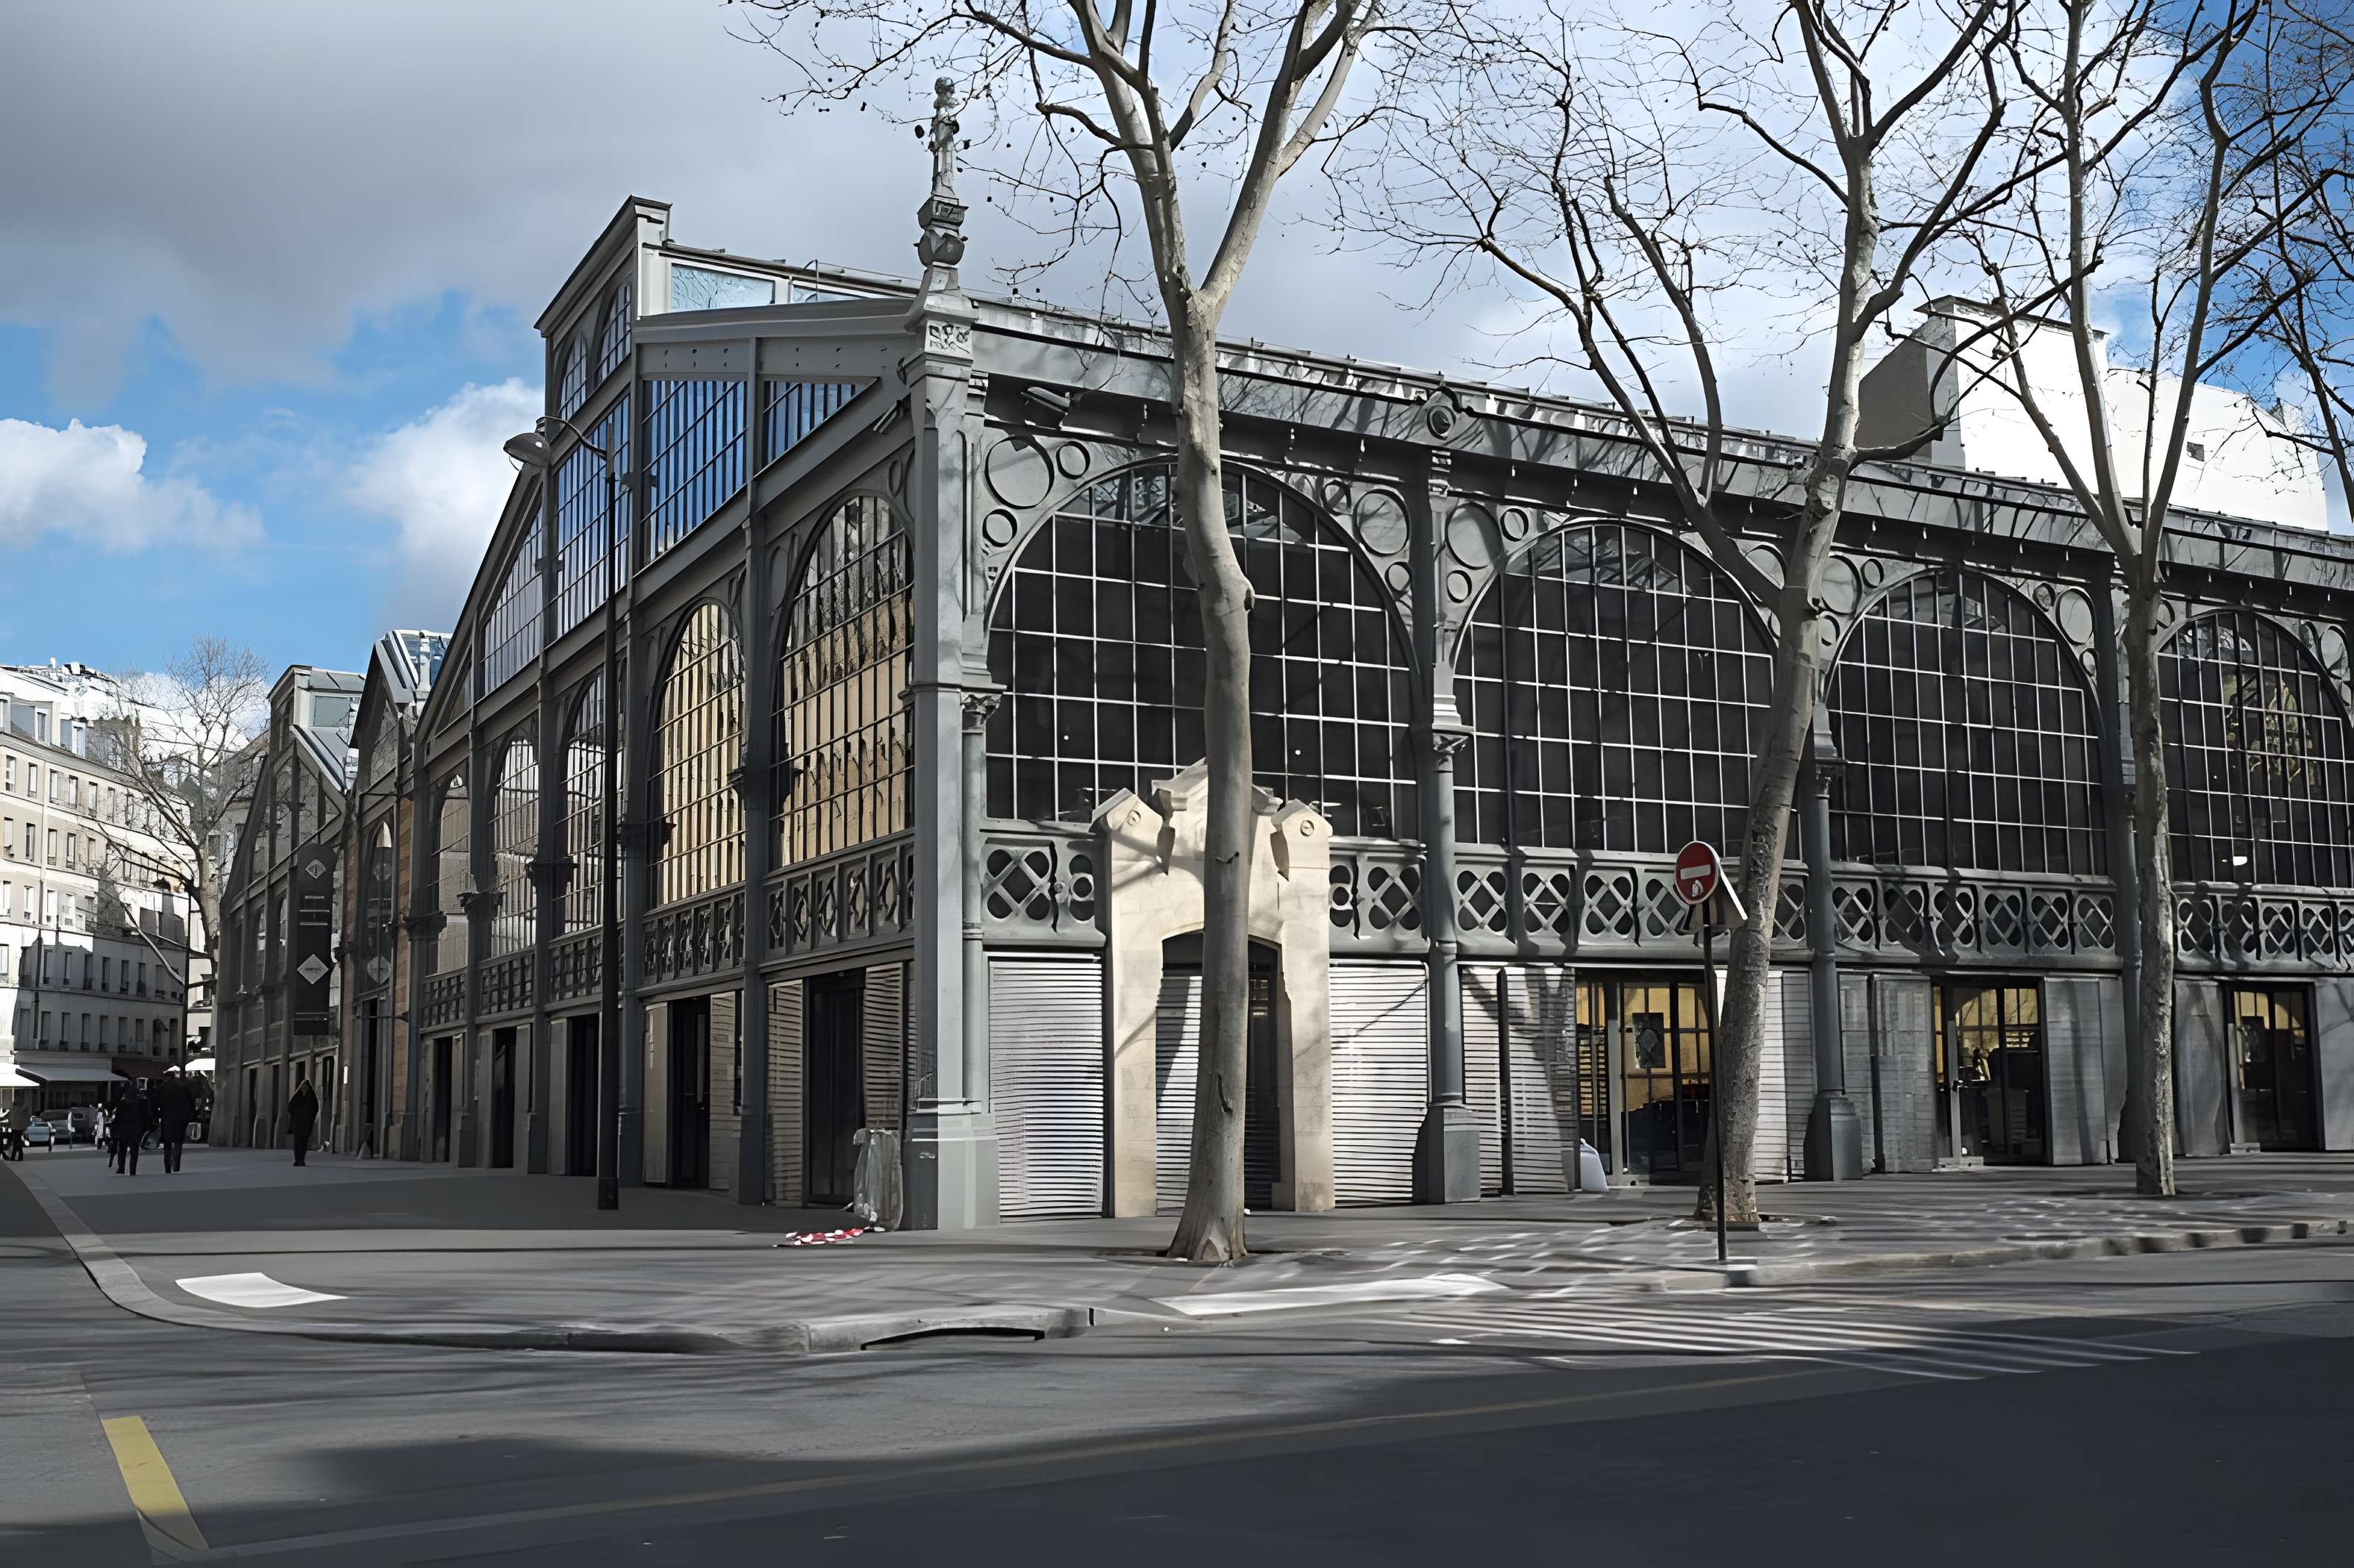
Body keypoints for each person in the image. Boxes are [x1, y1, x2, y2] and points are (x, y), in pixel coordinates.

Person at [152, 1069, 194, 1175]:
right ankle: (177, 1166)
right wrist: (188, 1117)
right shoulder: (183, 1088)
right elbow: (190, 1103)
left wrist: (156, 1118)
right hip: (180, 1119)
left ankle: (167, 1168)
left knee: (167, 1144)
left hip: (167, 1119)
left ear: (166, 1078)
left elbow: (155, 1105)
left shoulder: (162, 1089)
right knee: (178, 1143)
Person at [112, 1081, 154, 1176]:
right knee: (134, 1150)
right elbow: (147, 1115)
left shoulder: (122, 1103)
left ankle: (121, 1168)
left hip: (124, 1129)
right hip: (137, 1129)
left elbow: (117, 1118)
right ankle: (132, 1170)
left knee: (122, 1149)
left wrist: (114, 1130)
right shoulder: (142, 1103)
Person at [286, 1077, 318, 1167]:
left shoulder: (311, 1097)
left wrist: (309, 1118)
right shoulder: (298, 1097)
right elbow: (291, 1106)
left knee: (303, 1143)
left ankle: (301, 1159)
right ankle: (297, 1159)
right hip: (298, 1124)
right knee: (297, 1143)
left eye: (305, 1086)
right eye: (302, 1086)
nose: (304, 1088)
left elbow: (314, 1108)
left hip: (306, 1124)